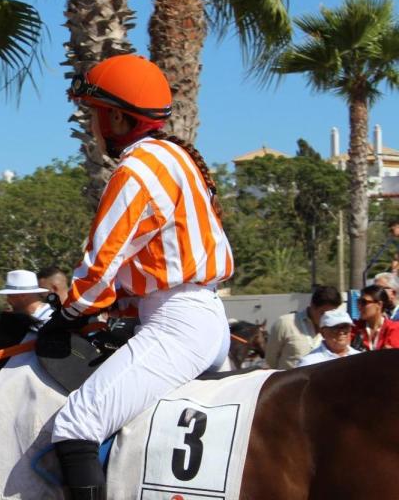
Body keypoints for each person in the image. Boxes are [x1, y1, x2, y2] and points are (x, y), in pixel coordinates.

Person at [37, 54, 234, 499]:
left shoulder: (134, 170)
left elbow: (99, 264)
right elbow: (147, 263)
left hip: (177, 325)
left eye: (94, 116)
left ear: (119, 118)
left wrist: (68, 315)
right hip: (202, 318)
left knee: (75, 423)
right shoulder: (177, 157)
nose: (90, 128)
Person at [265, 286, 342, 370]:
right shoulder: (285, 323)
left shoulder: (338, 329)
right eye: (323, 313)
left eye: (331, 313)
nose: (327, 318)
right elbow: (271, 360)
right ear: (312, 306)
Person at [354, 285, 399, 351]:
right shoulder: (355, 328)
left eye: (364, 302)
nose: (359, 307)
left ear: (379, 305)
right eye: (359, 302)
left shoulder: (393, 328)